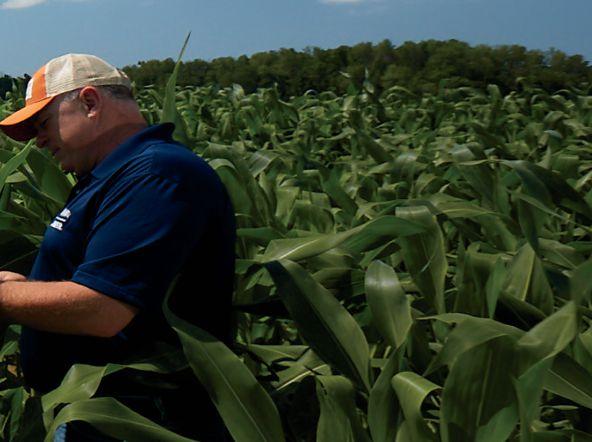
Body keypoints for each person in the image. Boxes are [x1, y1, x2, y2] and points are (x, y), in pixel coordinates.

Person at [0, 53, 236, 440]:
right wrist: (22, 288)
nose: (39, 141)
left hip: (138, 420)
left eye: (43, 124)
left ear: (90, 102)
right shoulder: (112, 175)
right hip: (96, 412)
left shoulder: (157, 174)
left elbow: (104, 309)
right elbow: (104, 279)